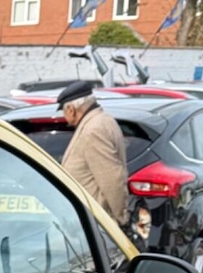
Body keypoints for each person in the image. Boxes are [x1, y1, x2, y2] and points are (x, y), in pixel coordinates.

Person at [58, 79, 148, 247]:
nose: (64, 118)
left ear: (71, 109)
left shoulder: (94, 130)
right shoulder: (102, 121)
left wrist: (121, 220)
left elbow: (111, 179)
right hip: (93, 222)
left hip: (96, 223)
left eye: (64, 111)